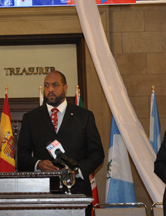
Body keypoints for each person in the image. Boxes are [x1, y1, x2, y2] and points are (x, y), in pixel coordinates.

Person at [18, 70, 104, 215]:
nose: (50, 89)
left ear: (65, 88)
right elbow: (21, 156)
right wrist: (38, 164)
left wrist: (76, 170)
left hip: (77, 193)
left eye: (55, 85)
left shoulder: (84, 116)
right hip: (43, 193)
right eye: (46, 86)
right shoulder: (30, 118)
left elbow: (97, 154)